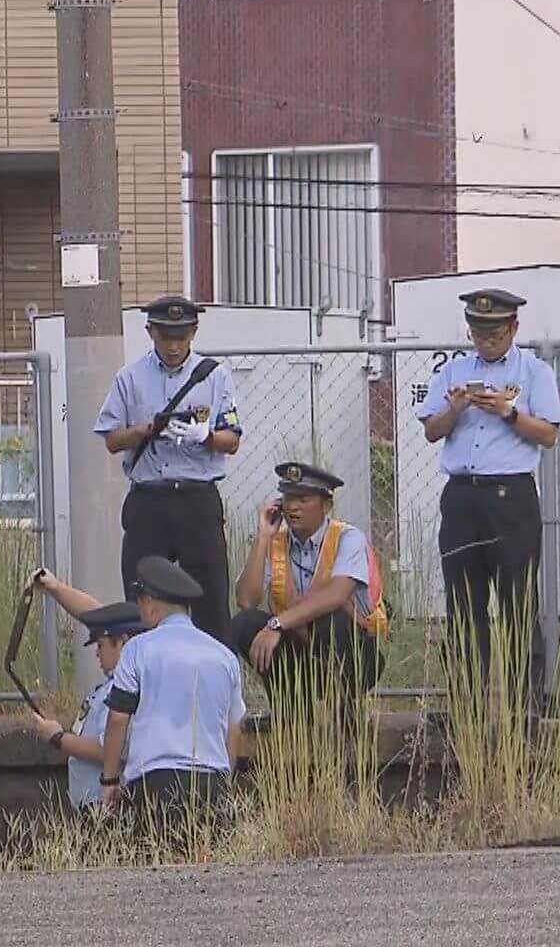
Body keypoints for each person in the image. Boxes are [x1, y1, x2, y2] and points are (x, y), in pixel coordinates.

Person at [416, 288, 560, 711]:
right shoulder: (453, 370)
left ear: (513, 327)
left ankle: (526, 705)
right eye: (479, 331)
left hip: (511, 497)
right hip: (463, 497)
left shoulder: (534, 372)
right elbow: (431, 430)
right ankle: (467, 704)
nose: (486, 339)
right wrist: (456, 409)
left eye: (495, 331)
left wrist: (507, 411)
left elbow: (549, 434)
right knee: (463, 604)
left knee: (517, 603)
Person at [94, 296, 243, 645]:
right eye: (165, 337)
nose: (174, 346)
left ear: (193, 332)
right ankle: (141, 683)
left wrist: (204, 435)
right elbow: (112, 439)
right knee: (141, 600)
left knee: (210, 602)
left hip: (197, 499)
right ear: (151, 333)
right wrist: (146, 430)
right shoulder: (129, 378)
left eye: (181, 336)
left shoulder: (214, 376)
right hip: (150, 499)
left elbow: (232, 439)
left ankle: (217, 688)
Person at [97, 557, 246, 820]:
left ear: (149, 604)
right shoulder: (225, 657)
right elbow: (233, 730)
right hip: (212, 783)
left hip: (154, 783)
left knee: (155, 858)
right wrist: (225, 783)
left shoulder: (137, 649)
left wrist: (109, 779)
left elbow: (118, 718)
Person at [230, 463, 389, 706]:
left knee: (330, 620)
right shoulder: (276, 542)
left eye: (303, 499)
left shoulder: (348, 538)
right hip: (301, 653)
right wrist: (262, 536)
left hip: (354, 657)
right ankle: (293, 715)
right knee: (245, 624)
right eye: (288, 497)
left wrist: (277, 624)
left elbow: (337, 595)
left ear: (326, 505)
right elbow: (246, 601)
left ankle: (345, 719)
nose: (292, 507)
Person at [27, 568, 148, 809]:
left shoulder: (126, 689)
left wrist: (58, 737)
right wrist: (55, 588)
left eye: (101, 645)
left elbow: (109, 750)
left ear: (122, 642)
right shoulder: (116, 684)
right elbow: (97, 613)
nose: (97, 654)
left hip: (104, 804)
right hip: (91, 803)